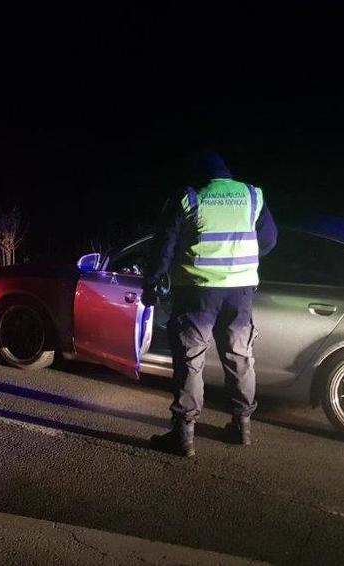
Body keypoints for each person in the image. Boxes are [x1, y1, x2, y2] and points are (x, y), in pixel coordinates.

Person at [142, 150, 277, 457]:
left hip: (197, 292)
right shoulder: (252, 195)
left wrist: (151, 285)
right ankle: (242, 426)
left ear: (199, 176)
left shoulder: (189, 198)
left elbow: (163, 247)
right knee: (240, 357)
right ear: (226, 174)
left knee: (191, 361)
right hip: (240, 292)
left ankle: (183, 435)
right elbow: (268, 241)